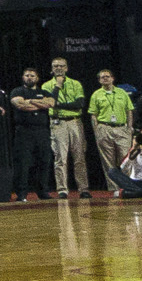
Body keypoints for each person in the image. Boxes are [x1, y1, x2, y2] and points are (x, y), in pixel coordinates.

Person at [43, 58, 91, 198]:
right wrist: (57, 86)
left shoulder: (75, 84)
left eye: (61, 66)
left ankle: (84, 189)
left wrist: (60, 105)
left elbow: (80, 103)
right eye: (55, 66)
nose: (58, 68)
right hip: (58, 123)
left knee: (79, 156)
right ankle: (62, 189)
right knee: (60, 158)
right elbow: (51, 102)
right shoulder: (47, 85)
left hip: (75, 122)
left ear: (66, 68)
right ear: (51, 69)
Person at [6, 66, 52, 200]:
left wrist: (30, 101)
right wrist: (38, 103)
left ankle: (43, 191)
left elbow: (50, 103)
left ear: (37, 78)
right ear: (23, 77)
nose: (29, 77)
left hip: (42, 131)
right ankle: (21, 193)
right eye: (27, 75)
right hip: (24, 131)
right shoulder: (17, 91)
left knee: (44, 161)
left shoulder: (44, 91)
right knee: (23, 163)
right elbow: (19, 105)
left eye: (32, 75)